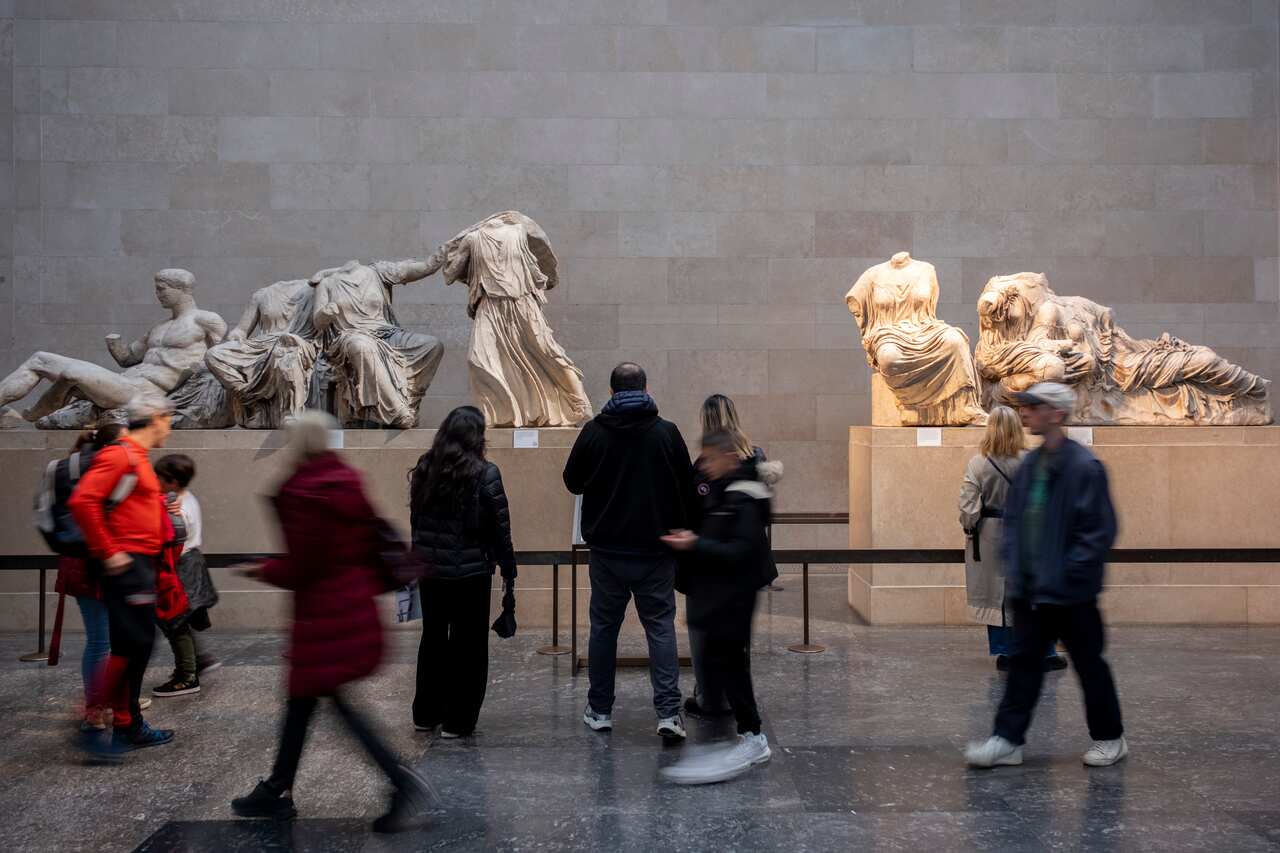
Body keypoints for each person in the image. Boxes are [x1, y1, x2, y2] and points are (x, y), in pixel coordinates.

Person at [231, 411, 432, 833]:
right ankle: (277, 788)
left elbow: (304, 566)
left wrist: (262, 569)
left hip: (326, 614)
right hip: (352, 607)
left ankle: (398, 781)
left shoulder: (304, 492)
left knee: (328, 702)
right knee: (303, 702)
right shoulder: (345, 481)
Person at [966, 382, 1127, 770]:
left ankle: (1110, 738)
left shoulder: (1084, 467)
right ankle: (1007, 739)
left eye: (1032, 407)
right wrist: (1016, 567)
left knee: (1089, 665)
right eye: (1023, 407)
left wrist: (1069, 574)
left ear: (1055, 413)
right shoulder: (1031, 465)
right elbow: (1018, 523)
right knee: (1023, 665)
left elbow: (1098, 531)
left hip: (1070, 594)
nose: (1024, 413)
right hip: (1032, 590)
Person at [562, 362, 697, 739]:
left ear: (610, 392)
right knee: (660, 629)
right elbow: (687, 487)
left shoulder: (593, 432)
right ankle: (669, 713)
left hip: (607, 553)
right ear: (647, 388)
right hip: (656, 552)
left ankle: (600, 710)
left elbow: (572, 481)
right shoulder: (666, 433)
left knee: (604, 630)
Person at [660, 430, 778, 784]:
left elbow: (739, 550)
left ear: (727, 457)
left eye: (710, 459)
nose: (706, 466)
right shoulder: (729, 490)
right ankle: (748, 734)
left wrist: (695, 544)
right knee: (724, 661)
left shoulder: (742, 494)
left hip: (736, 596)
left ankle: (753, 735)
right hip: (726, 594)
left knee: (731, 663)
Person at [68, 393, 178, 756]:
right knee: (136, 644)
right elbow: (83, 501)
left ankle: (127, 724)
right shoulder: (121, 453)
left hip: (137, 563)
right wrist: (110, 552)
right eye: (169, 418)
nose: (171, 426)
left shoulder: (138, 457)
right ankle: (101, 716)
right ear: (157, 418)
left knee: (134, 645)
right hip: (126, 564)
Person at [408, 406, 517, 738]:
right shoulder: (486, 473)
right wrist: (508, 570)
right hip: (470, 575)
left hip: (430, 572)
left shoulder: (425, 468)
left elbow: (416, 523)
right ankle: (458, 720)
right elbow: (501, 528)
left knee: (433, 641)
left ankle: (426, 713)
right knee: (468, 648)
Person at [684, 394, 781, 720]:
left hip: (716, 565)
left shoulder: (704, 467)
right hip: (748, 567)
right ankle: (735, 700)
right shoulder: (758, 458)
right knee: (737, 643)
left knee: (707, 637)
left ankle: (713, 699)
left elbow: (699, 516)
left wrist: (694, 545)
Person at [959, 405, 1066, 673]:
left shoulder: (979, 463)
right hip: (1028, 533)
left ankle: (1006, 652)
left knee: (997, 595)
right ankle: (1045, 652)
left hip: (991, 534)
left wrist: (971, 528)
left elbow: (968, 507)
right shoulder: (1032, 460)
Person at [49, 422, 126, 732]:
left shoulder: (70, 469)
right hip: (97, 563)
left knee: (103, 639)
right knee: (102, 639)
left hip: (81, 562)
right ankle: (97, 705)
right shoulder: (103, 472)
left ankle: (105, 700)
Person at [150, 454, 220, 697]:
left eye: (157, 476)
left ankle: (187, 676)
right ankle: (195, 662)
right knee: (179, 621)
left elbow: (170, 538)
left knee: (175, 622)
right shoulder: (184, 498)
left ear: (171, 481)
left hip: (181, 566)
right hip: (189, 563)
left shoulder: (177, 508)